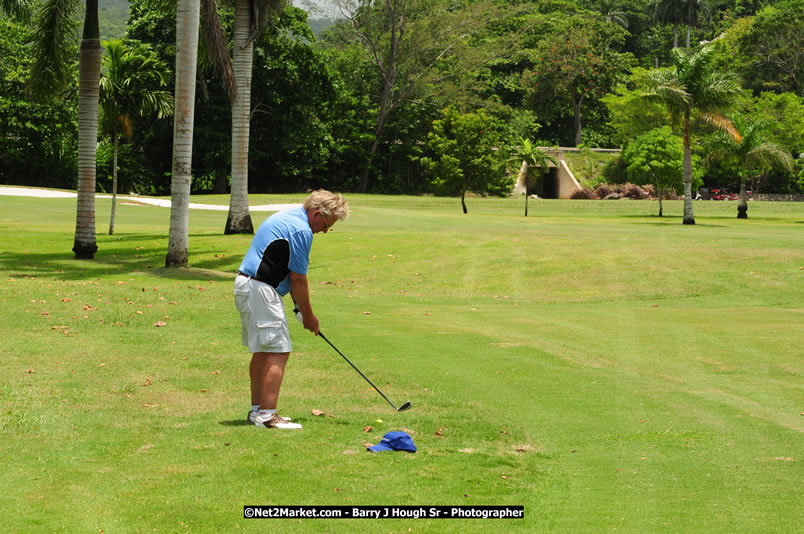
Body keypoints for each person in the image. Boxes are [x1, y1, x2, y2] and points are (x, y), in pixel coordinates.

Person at [234, 190, 349, 429]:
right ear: (317, 214)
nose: (325, 231)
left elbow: (286, 272)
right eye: (327, 225)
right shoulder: (301, 230)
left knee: (263, 350)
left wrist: (299, 308)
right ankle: (267, 415)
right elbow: (298, 279)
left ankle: (258, 411)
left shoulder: (289, 217)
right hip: (261, 289)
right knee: (278, 350)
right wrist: (308, 315)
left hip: (247, 285)